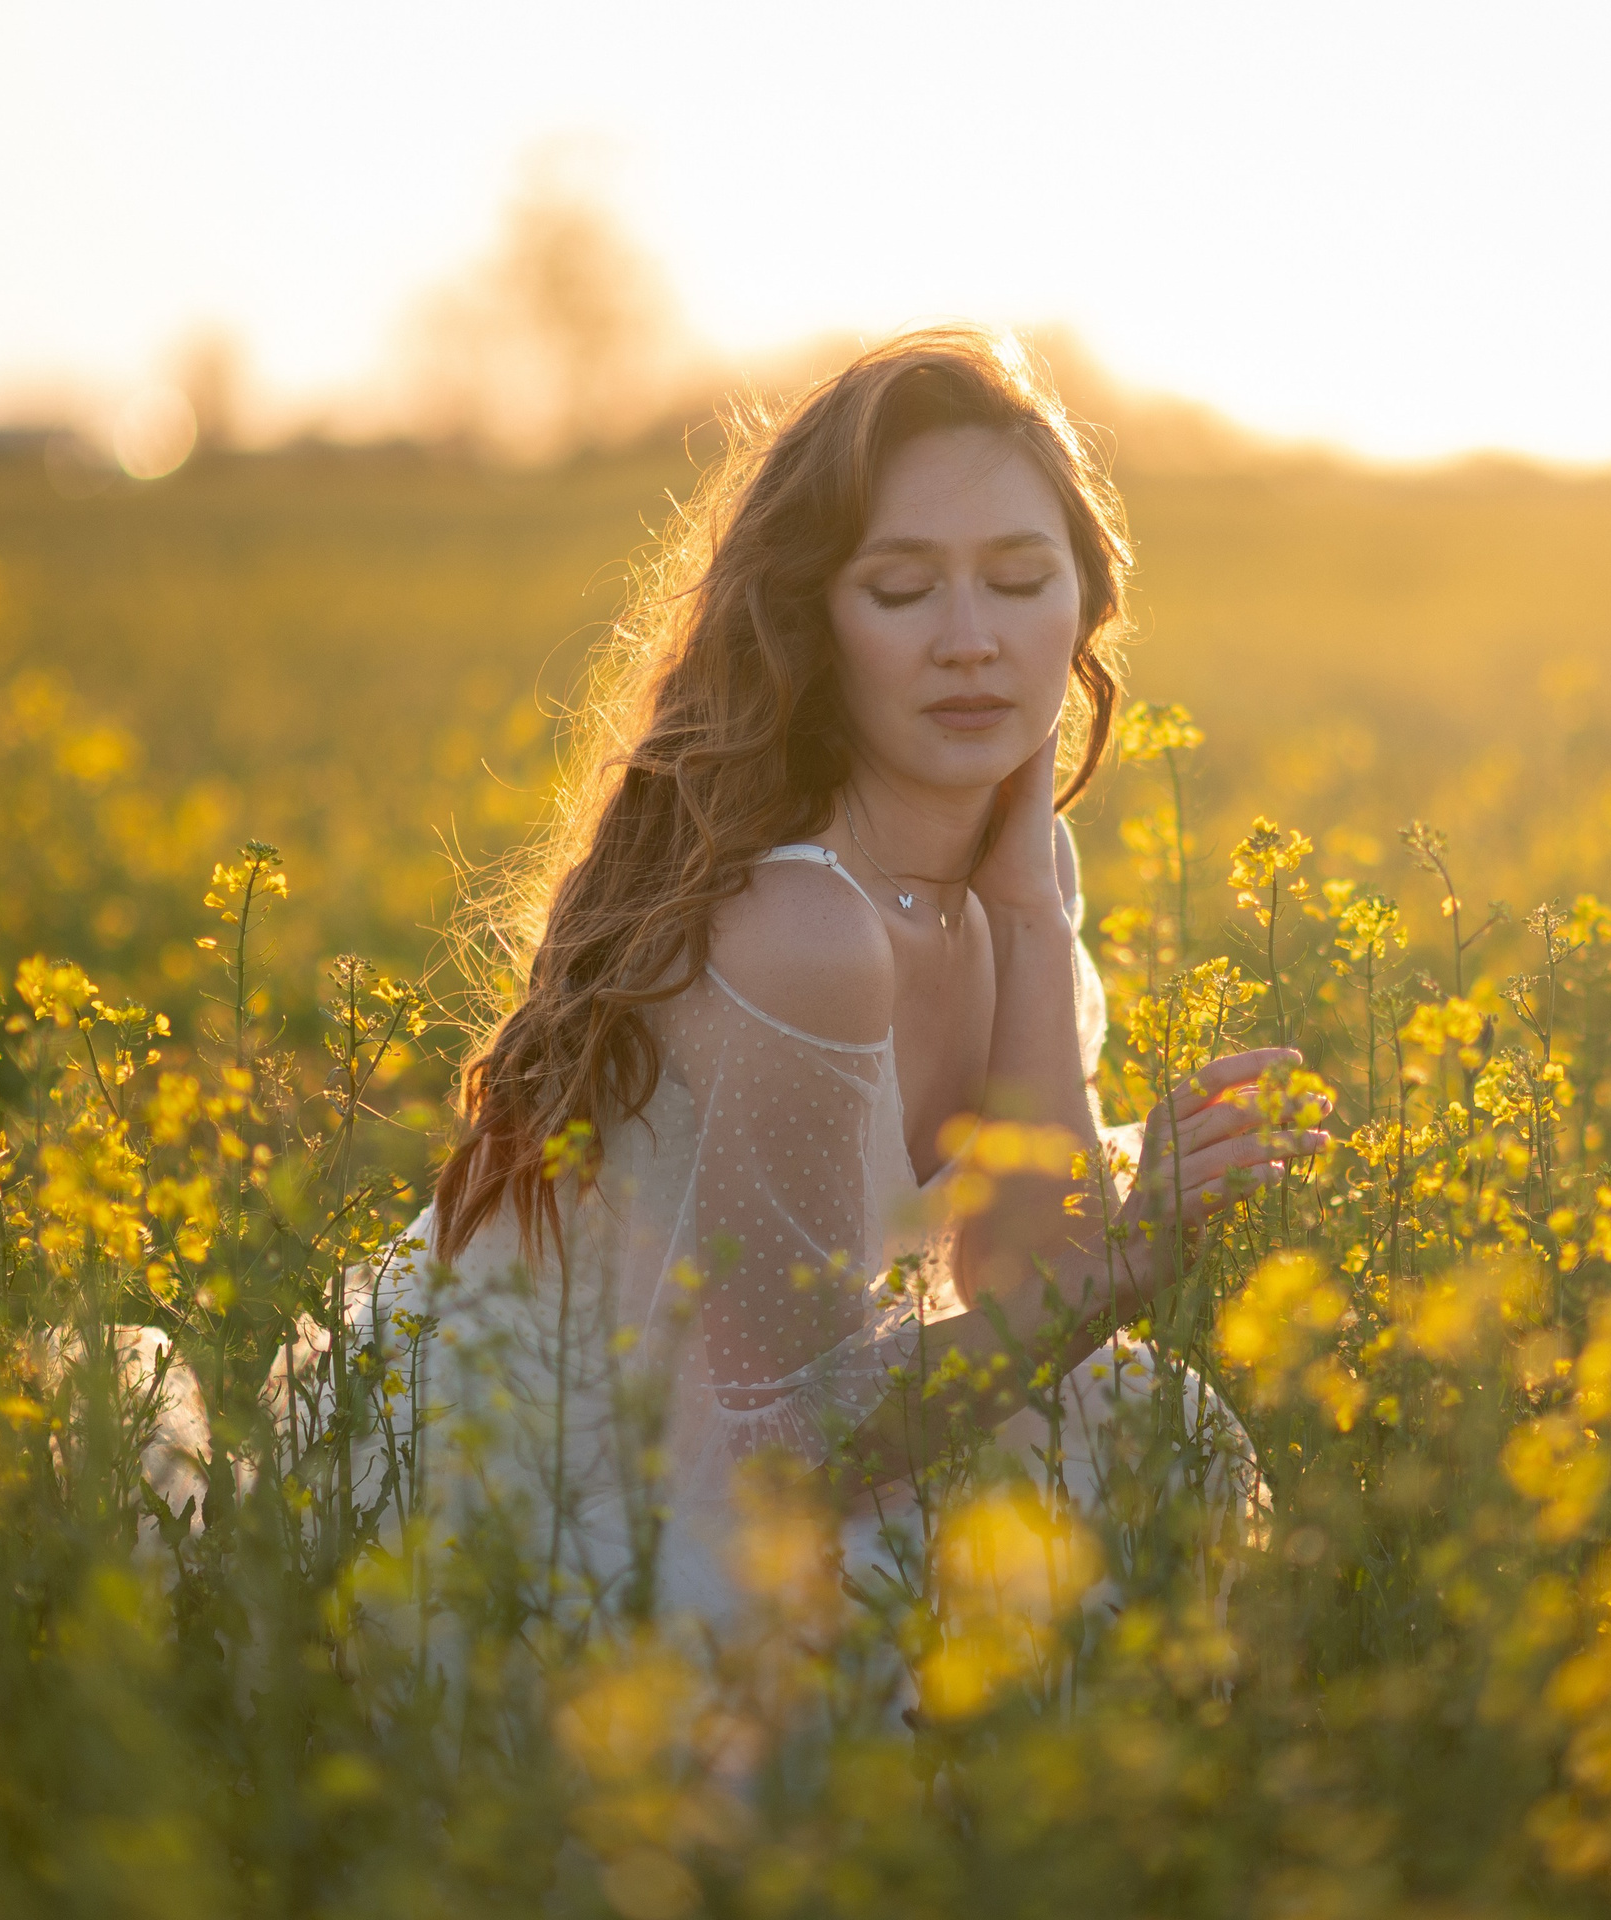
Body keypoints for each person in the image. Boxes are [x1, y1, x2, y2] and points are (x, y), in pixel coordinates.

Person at [332, 327, 1316, 1631]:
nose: (972, 641)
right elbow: (779, 1457)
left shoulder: (1022, 865)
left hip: (811, 1437)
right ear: (811, 620)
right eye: (903, 591)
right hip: (598, 1482)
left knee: (1141, 1453)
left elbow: (1016, 1278)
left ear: (1087, 606)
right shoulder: (804, 928)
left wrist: (1024, 911)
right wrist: (1125, 1274)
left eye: (1021, 580)